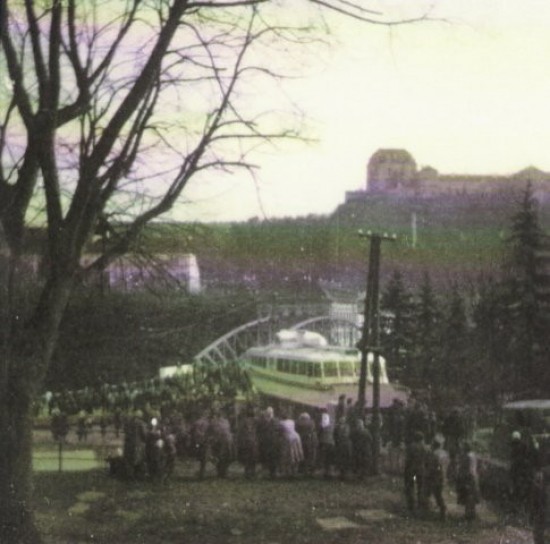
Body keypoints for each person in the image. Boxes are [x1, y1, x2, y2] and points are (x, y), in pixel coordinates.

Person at [423, 438, 448, 520]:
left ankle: (427, 511)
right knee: (438, 494)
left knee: (428, 493)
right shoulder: (445, 453)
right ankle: (442, 511)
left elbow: (431, 466)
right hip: (443, 475)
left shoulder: (433, 454)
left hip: (434, 476)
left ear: (434, 445)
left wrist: (427, 474)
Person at [404, 431, 427, 514]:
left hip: (411, 470)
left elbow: (408, 460)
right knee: (420, 488)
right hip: (421, 470)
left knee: (410, 487)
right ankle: (420, 505)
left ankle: (411, 506)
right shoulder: (424, 447)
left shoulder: (411, 447)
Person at [455, 441, 479, 521]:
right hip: (473, 476)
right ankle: (471, 513)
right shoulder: (472, 455)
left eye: (462, 447)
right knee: (471, 495)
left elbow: (466, 468)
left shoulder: (467, 456)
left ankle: (468, 514)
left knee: (468, 495)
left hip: (468, 477)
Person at [318, 409, 336, 479]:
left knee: (324, 458)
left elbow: (319, 432)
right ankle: (329, 473)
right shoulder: (331, 424)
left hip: (323, 442)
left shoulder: (322, 424)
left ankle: (325, 472)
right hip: (331, 443)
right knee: (330, 458)